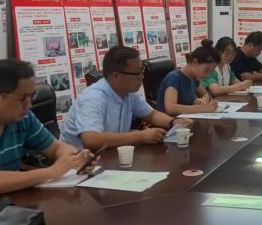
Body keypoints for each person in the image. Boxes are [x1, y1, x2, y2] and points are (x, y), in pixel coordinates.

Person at [0, 59, 90, 197]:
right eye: (23, 98)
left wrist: (74, 159)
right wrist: (51, 172)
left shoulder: (22, 118)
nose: (29, 105)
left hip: (11, 203)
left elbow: (57, 148)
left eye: (31, 96)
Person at [60, 46, 191, 150]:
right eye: (136, 73)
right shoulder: (93, 98)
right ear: (115, 75)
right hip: (79, 163)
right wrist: (141, 136)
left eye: (142, 71)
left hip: (109, 155)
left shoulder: (129, 94)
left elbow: (152, 115)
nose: (141, 77)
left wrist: (173, 122)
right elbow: (91, 139)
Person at [156, 42, 220, 116]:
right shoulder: (174, 78)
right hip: (169, 121)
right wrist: (203, 108)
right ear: (195, 62)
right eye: (206, 70)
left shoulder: (195, 77)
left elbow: (205, 94)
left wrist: (203, 100)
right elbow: (170, 108)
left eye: (210, 72)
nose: (207, 75)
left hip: (186, 118)